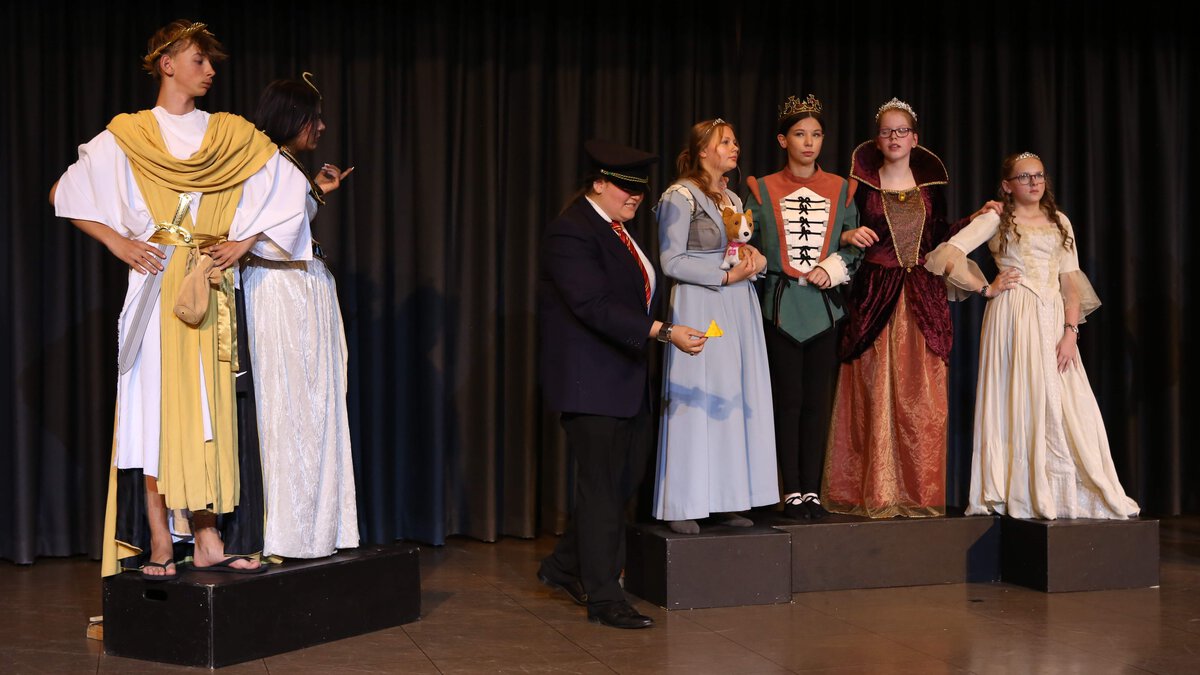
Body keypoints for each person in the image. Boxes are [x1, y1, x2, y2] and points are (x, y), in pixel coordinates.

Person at [50, 20, 311, 577]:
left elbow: (291, 191)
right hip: (156, 283)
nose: (210, 71)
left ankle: (209, 538)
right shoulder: (131, 135)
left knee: (209, 410)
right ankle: (160, 541)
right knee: (156, 410)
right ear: (167, 65)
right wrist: (119, 241)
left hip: (209, 284)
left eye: (211, 62)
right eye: (199, 60)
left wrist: (244, 241)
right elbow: (63, 192)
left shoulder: (229, 134)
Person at [538, 140, 708, 629]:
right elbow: (592, 305)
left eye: (640, 189)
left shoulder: (618, 230)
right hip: (592, 383)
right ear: (597, 184)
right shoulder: (571, 231)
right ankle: (605, 597)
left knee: (620, 483)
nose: (635, 196)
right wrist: (664, 332)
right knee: (602, 491)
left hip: (626, 379)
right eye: (624, 187)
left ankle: (563, 566)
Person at [924, 152, 1140, 519]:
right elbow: (947, 254)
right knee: (1017, 394)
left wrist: (1070, 332)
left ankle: (1063, 489)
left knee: (1064, 398)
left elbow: (1070, 282)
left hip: (1052, 315)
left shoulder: (1060, 221)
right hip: (1012, 314)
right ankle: (1018, 490)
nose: (1034, 182)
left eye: (1038, 175)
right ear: (1007, 185)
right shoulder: (997, 218)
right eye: (1024, 177)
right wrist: (985, 287)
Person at [821, 98, 999, 519]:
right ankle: (877, 491)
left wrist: (974, 218)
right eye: (887, 131)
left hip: (922, 296)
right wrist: (847, 236)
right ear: (877, 139)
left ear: (914, 139)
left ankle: (917, 492)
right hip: (875, 296)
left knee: (920, 398)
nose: (894, 137)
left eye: (901, 131)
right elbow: (838, 231)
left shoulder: (929, 190)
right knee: (873, 392)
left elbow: (940, 237)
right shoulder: (861, 189)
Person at [240, 75, 359, 558]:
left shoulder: (285, 165)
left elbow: (283, 225)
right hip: (282, 294)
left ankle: (317, 526)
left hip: (299, 291)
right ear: (291, 118)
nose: (322, 127)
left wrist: (315, 191)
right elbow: (262, 234)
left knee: (311, 407)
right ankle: (290, 531)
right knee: (289, 406)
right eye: (314, 118)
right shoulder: (265, 163)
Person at [653, 119, 777, 534]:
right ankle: (683, 501)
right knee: (697, 397)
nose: (734, 147)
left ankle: (726, 498)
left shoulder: (732, 196)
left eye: (735, 141)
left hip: (737, 302)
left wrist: (755, 260)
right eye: (724, 142)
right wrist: (724, 275)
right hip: (701, 299)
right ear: (702, 150)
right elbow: (671, 261)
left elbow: (736, 248)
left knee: (731, 395)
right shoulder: (679, 195)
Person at [745, 95, 862, 520]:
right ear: (783, 140)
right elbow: (745, 241)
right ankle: (789, 489)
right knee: (787, 400)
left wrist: (833, 266)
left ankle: (812, 490)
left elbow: (854, 246)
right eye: (799, 134)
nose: (809, 143)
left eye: (815, 135)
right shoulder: (760, 189)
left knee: (817, 401)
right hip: (779, 306)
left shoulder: (842, 189)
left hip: (823, 309)